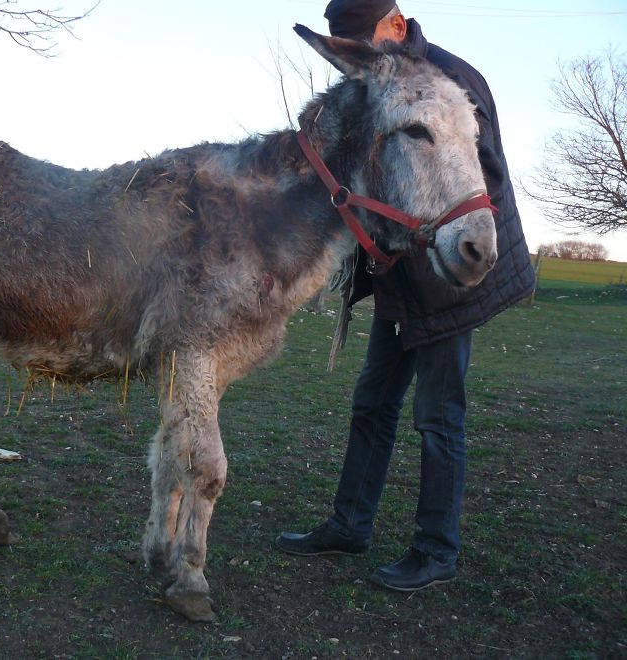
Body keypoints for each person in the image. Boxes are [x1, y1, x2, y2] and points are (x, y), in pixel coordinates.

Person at [275, 0, 536, 591]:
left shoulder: (450, 81)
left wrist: (431, 236)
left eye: (365, 47)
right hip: (400, 275)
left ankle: (436, 549)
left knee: (438, 417)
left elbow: (479, 183)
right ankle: (349, 524)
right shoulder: (379, 80)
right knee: (372, 405)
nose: (361, 65)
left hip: (450, 275)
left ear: (396, 25)